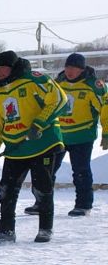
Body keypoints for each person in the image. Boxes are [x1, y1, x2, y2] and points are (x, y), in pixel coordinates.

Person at [0, 50, 65, 244]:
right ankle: (6, 232)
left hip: (44, 144)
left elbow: (58, 100)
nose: (0, 72)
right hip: (15, 149)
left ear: (13, 67)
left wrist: (39, 124)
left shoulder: (35, 79)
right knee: (6, 191)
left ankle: (45, 228)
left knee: (42, 188)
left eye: (3, 68)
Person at [54, 51, 103, 216]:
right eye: (67, 66)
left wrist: (107, 132)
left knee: (81, 171)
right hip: (58, 135)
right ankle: (42, 203)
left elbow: (106, 108)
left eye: (74, 68)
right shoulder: (58, 83)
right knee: (46, 170)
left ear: (81, 70)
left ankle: (83, 205)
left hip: (82, 136)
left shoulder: (92, 85)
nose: (70, 71)